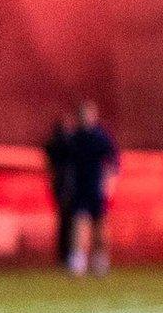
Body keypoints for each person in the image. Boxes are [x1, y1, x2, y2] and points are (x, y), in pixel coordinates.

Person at [62, 101, 119, 277]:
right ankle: (77, 260)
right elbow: (66, 162)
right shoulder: (74, 138)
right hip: (80, 187)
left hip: (96, 187)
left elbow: (114, 159)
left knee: (100, 226)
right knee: (79, 222)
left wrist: (110, 181)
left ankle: (100, 259)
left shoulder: (100, 137)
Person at [43, 113, 75, 267]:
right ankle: (68, 255)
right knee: (68, 222)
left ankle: (66, 256)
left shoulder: (53, 145)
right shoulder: (67, 144)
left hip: (60, 185)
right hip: (66, 185)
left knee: (65, 222)